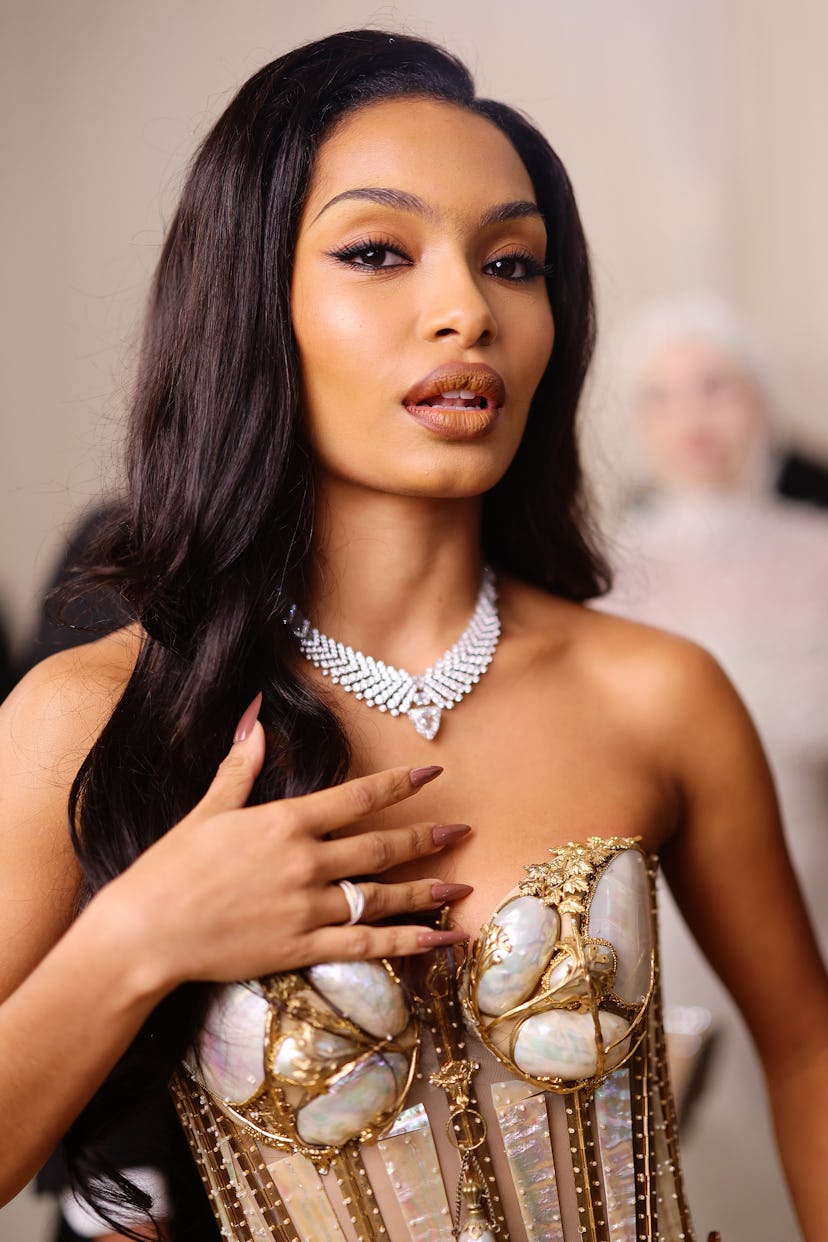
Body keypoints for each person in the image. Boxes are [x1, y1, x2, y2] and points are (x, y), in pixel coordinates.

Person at [0, 31, 825, 1242]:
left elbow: (807, 1051)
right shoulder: (90, 714)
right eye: (378, 252)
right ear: (251, 298)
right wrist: (141, 930)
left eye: (514, 263)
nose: (466, 311)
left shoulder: (658, 693)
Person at [600, 293, 828, 1239]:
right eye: (661, 396)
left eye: (714, 388)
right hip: (660, 911)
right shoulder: (604, 573)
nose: (692, 420)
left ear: (760, 401)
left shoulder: (821, 554)